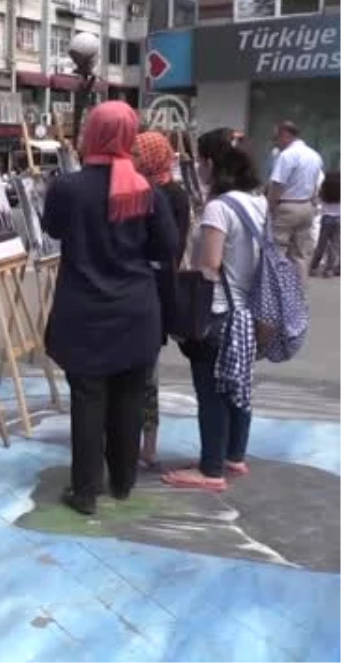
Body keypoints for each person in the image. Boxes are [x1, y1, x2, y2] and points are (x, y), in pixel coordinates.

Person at [42, 101, 180, 515]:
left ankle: (85, 491)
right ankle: (123, 481)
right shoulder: (146, 190)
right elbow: (168, 247)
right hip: (136, 311)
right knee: (130, 397)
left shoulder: (68, 188)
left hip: (82, 311)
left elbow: (52, 229)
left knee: (87, 399)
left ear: (93, 134)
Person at [162, 128, 266, 493]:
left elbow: (209, 266)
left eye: (198, 161)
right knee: (239, 386)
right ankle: (234, 455)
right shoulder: (257, 201)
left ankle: (210, 470)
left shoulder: (219, 208)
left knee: (212, 393)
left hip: (217, 314)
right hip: (245, 313)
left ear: (209, 163)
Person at [132, 131, 194, 469]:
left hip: (155, 290)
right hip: (142, 289)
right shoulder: (136, 188)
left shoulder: (171, 194)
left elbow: (174, 247)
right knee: (138, 372)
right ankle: (134, 438)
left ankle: (149, 443)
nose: (134, 159)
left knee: (148, 374)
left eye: (139, 154)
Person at [267, 121, 323, 279]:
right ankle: (299, 291)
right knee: (300, 253)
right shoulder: (314, 155)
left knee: (277, 249)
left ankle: (276, 288)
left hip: (287, 206)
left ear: (285, 136)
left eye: (276, 138)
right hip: (306, 206)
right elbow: (315, 185)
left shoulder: (286, 156)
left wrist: (270, 206)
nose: (275, 142)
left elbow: (277, 184)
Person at [309, 170, 341, 277]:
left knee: (321, 244)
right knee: (335, 245)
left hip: (326, 218)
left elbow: (317, 200)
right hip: (339, 219)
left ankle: (314, 266)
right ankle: (329, 269)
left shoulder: (325, 190)